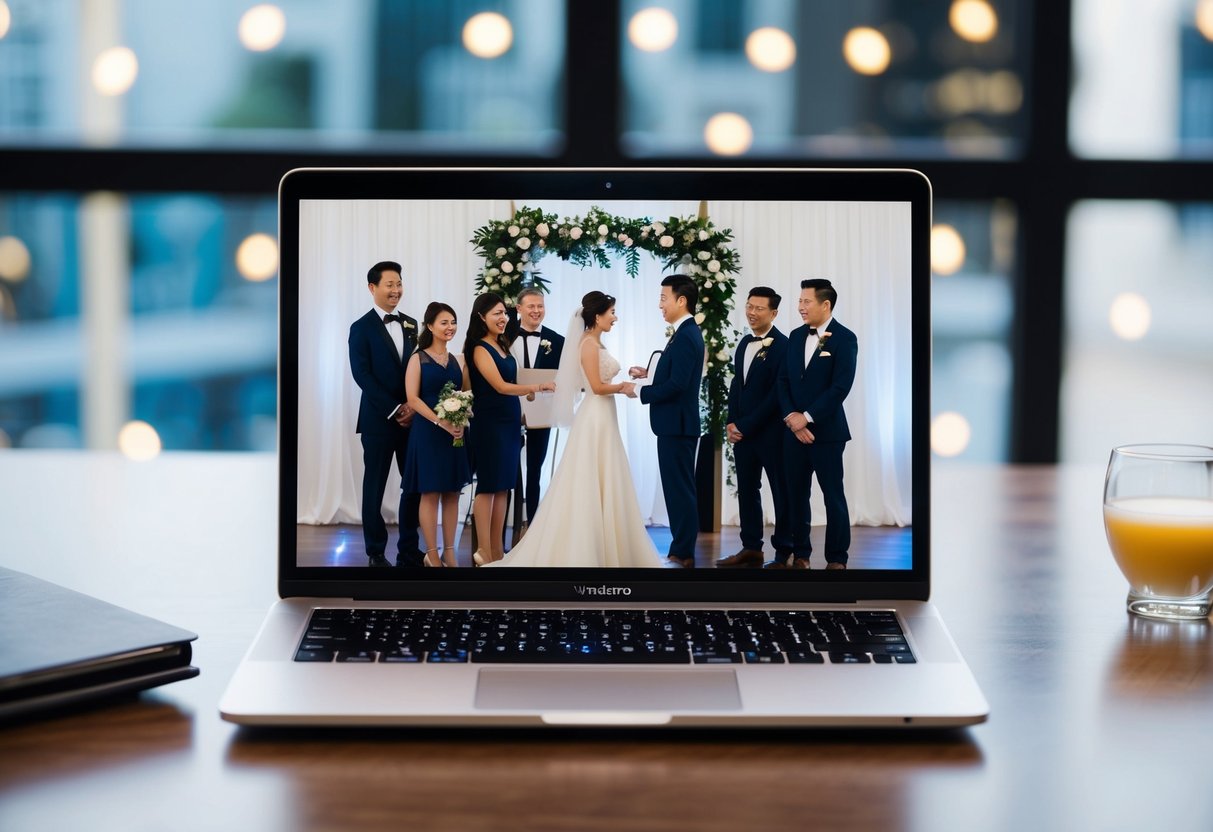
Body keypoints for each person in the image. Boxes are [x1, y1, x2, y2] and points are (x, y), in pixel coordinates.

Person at [487, 292, 665, 568]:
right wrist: (623, 387)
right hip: (595, 415)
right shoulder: (588, 345)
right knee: (589, 477)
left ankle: (609, 544)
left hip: (604, 414)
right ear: (598, 316)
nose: (615, 317)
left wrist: (630, 376)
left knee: (606, 475)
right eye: (612, 312)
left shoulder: (595, 342)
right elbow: (595, 386)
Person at [464, 292, 555, 566]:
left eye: (504, 313)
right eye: (496, 313)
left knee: (504, 487)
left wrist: (527, 400)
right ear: (481, 317)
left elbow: (512, 381)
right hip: (489, 423)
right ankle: (483, 550)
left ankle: (497, 551)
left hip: (509, 422)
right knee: (488, 487)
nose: (503, 318)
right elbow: (501, 387)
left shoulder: (503, 344)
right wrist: (535, 388)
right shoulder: (480, 348)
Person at [776, 278, 858, 570]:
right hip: (792, 432)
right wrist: (792, 419)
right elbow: (783, 381)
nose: (800, 307)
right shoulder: (796, 336)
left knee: (833, 495)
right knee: (795, 495)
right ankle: (801, 554)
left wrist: (807, 417)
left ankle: (837, 558)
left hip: (827, 433)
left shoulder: (845, 339)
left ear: (825, 304)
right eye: (799, 301)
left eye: (806, 301)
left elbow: (840, 388)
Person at [347, 260, 423, 568]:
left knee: (414, 484)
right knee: (374, 485)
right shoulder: (360, 328)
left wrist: (412, 407)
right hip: (378, 420)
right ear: (372, 288)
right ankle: (375, 551)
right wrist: (394, 408)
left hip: (411, 419)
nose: (396, 290)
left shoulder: (412, 324)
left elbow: (417, 367)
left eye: (399, 283)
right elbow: (362, 375)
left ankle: (409, 547)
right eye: (389, 284)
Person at [629, 274, 705, 568]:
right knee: (677, 488)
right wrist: (647, 374)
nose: (660, 305)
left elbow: (678, 385)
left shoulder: (686, 335)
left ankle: (683, 552)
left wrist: (640, 390)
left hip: (678, 425)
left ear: (681, 300)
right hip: (674, 424)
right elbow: (674, 375)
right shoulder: (683, 332)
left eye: (663, 298)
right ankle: (680, 548)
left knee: (680, 490)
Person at [717, 287, 794, 569]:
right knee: (747, 489)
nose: (751, 312)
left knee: (780, 491)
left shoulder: (784, 345)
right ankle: (751, 547)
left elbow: (777, 395)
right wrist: (730, 422)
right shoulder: (744, 343)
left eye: (759, 308)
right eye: (749, 306)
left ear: (773, 313)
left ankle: (785, 551)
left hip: (772, 433)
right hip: (744, 433)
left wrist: (746, 424)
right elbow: (738, 384)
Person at [402, 302, 472, 568]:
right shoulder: (417, 359)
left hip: (453, 433)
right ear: (430, 326)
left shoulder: (456, 360)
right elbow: (413, 399)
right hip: (428, 433)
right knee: (429, 493)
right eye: (444, 322)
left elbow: (465, 395)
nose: (450, 327)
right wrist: (440, 421)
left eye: (453, 322)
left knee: (452, 493)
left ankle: (450, 553)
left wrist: (462, 418)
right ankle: (432, 554)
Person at [507, 287, 565, 525]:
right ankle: (505, 523)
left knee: (535, 469)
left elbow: (564, 377)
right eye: (531, 306)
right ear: (519, 309)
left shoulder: (558, 340)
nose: (536, 311)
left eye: (540, 306)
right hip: (509, 409)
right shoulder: (504, 336)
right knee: (508, 468)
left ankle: (533, 522)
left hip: (542, 411)